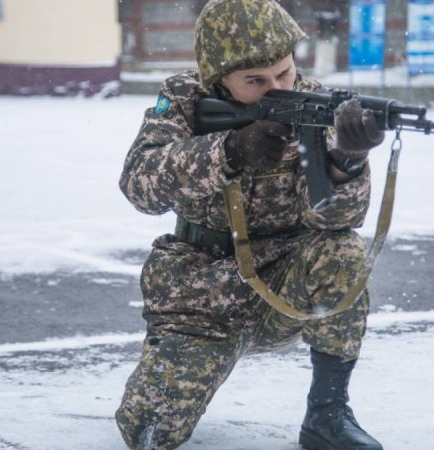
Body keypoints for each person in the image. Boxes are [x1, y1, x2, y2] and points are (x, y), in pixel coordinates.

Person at [115, 1, 385, 449]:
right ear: (217, 78)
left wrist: (347, 162)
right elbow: (139, 186)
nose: (276, 89)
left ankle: (328, 412)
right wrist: (229, 151)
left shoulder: (314, 102)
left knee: (342, 253)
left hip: (282, 284)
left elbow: (337, 219)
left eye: (283, 73)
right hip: (198, 297)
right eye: (254, 82)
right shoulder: (185, 100)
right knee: (149, 431)